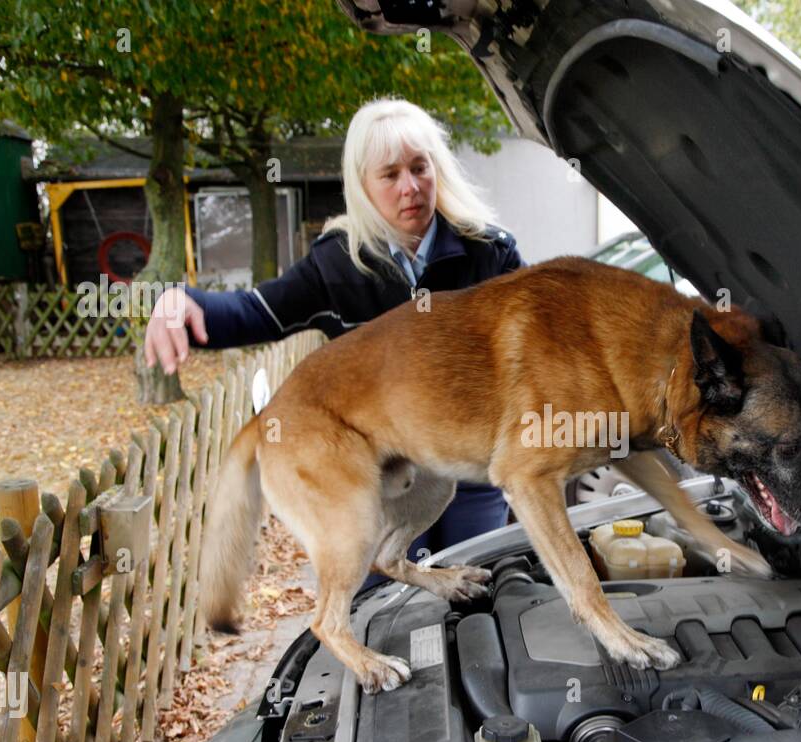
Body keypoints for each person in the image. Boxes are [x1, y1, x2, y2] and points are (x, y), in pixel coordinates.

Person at [145, 97, 524, 589]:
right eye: (389, 175)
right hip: (377, 483)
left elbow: (542, 341)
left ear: (438, 169)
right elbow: (254, 312)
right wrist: (180, 300)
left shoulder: (490, 253)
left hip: (472, 474)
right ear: (363, 187)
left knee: (479, 597)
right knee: (375, 615)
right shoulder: (336, 263)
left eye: (419, 167)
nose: (409, 187)